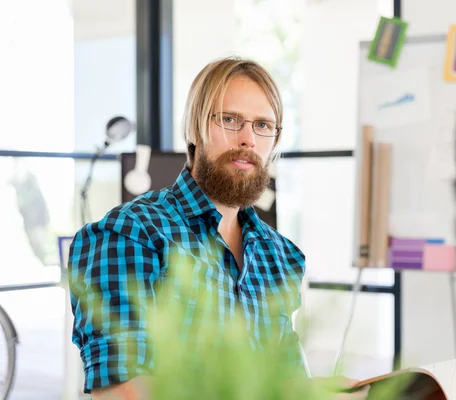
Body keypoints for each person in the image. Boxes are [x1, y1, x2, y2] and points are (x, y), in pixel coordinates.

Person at [68, 57, 369, 399]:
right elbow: (124, 394)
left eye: (263, 125)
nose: (248, 139)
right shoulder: (128, 235)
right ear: (196, 127)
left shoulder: (280, 256)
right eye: (230, 120)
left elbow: (283, 383)